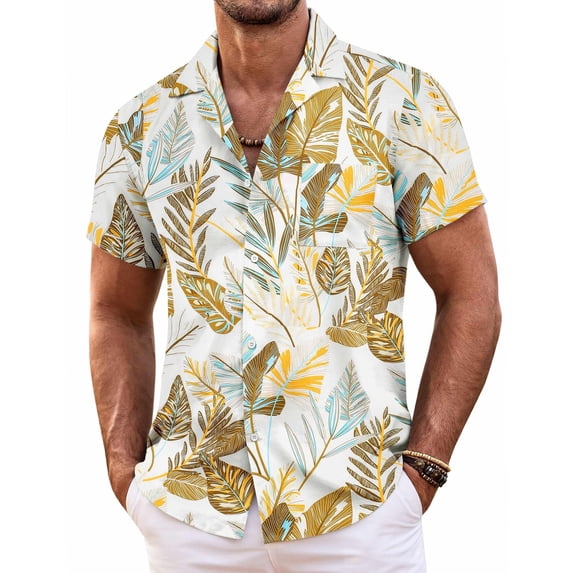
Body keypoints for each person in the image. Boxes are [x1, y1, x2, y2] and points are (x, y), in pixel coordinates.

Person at [87, 1, 501, 571]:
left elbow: (471, 293)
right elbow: (115, 309)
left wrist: (423, 471)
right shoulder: (141, 125)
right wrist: (123, 471)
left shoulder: (401, 101)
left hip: (359, 514)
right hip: (190, 519)